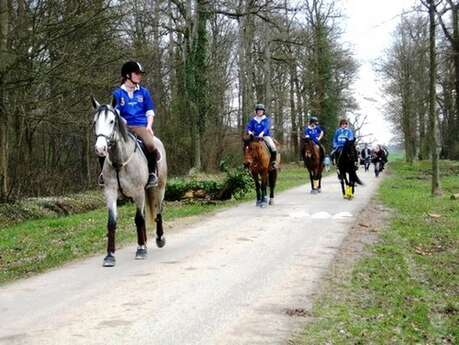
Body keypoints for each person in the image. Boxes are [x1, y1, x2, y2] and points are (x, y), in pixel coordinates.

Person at [99, 60, 159, 188]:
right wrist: (121, 120)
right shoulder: (117, 94)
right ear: (127, 75)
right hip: (123, 127)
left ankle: (152, 173)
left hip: (140, 126)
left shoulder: (144, 92)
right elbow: (115, 113)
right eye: (136, 73)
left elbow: (150, 112)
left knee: (150, 144)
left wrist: (149, 126)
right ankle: (103, 174)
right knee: (104, 144)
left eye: (140, 73)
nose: (139, 76)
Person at [246, 103, 278, 169]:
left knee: (273, 147)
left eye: (261, 110)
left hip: (265, 136)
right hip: (255, 137)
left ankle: (273, 162)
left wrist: (262, 133)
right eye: (258, 110)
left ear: (263, 111)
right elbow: (249, 127)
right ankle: (247, 162)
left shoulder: (266, 119)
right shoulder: (253, 120)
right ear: (256, 111)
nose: (259, 112)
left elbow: (266, 127)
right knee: (247, 147)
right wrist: (250, 132)